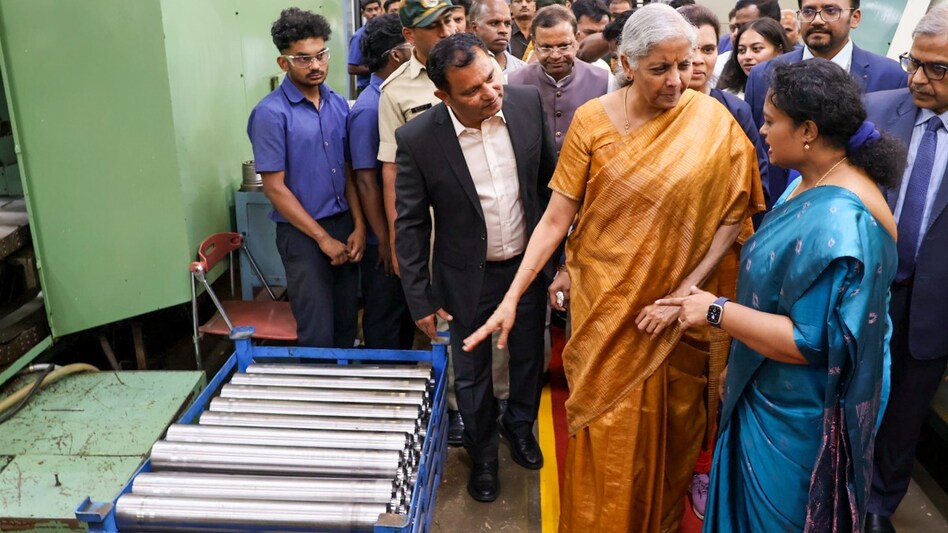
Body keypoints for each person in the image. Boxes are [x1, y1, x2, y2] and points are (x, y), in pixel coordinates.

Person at [462, 5, 764, 530]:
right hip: (606, 311)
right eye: (659, 69)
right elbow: (557, 217)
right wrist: (513, 295)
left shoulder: (711, 119)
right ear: (625, 61)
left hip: (675, 317)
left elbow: (733, 219)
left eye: (685, 65)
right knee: (605, 433)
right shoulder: (593, 120)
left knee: (671, 439)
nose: (676, 81)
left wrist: (686, 292)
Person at [662, 59, 902, 532]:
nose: (763, 131)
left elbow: (810, 343)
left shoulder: (843, 220)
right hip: (767, 385)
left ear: (808, 130)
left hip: (802, 414)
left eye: (771, 121)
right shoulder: (806, 183)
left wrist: (714, 310)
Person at [394, 33, 557, 502]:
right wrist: (419, 296)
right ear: (442, 95)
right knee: (472, 372)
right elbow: (408, 224)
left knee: (529, 355)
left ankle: (519, 427)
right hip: (466, 277)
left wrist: (558, 262)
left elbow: (549, 189)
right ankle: (483, 453)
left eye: (491, 76)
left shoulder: (525, 104)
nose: (489, 92)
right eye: (471, 90)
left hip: (526, 268)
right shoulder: (420, 139)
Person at [676, 3, 768, 519]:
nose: (695, 66)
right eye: (686, 54)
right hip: (657, 268)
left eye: (708, 51)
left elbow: (749, 200)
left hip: (721, 265)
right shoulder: (637, 109)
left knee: (716, 374)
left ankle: (705, 465)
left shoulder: (735, 112)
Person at [865, 7, 948, 533]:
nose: (918, 78)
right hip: (862, 295)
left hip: (933, 309)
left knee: (902, 424)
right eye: (913, 62)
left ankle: (878, 509)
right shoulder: (872, 113)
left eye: (938, 68)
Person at [247, 8, 366, 348]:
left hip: (343, 225)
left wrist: (357, 224)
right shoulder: (271, 114)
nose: (315, 66)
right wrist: (322, 239)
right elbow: (274, 187)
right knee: (317, 329)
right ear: (283, 63)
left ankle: (345, 395)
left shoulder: (337, 105)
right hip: (302, 236)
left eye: (321, 55)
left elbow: (347, 171)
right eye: (303, 59)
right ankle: (320, 394)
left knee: (347, 323)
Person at [377, 0, 467, 443]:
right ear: (410, 36)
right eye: (435, 26)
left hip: (478, 216)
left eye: (451, 19)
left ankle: (498, 401)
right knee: (440, 311)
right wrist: (399, 237)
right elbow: (391, 169)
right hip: (431, 223)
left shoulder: (478, 65)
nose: (447, 30)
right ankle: (451, 405)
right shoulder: (395, 92)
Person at [745, 0, 907, 203]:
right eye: (809, 11)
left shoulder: (890, 77)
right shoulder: (763, 75)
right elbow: (755, 155)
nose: (817, 20)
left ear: (855, 17)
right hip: (777, 208)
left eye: (830, 11)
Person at [347, 14, 416, 350]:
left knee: (403, 314)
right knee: (384, 316)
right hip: (382, 238)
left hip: (397, 231)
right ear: (396, 55)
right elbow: (366, 182)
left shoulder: (393, 98)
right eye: (411, 45)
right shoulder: (369, 109)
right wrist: (386, 240)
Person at [507, 5, 609, 154]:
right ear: (534, 44)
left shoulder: (605, 81)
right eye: (546, 47)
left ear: (577, 40)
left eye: (563, 46)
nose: (555, 55)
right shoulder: (511, 83)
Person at [709, 0, 780, 88]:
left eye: (756, 49)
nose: (737, 33)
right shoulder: (719, 66)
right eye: (742, 51)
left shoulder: (796, 66)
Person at [717, 18, 793, 98]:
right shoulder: (728, 98)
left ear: (779, 51)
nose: (747, 57)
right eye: (741, 50)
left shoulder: (795, 93)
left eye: (756, 49)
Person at [470, 0, 528, 77]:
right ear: (475, 28)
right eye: (494, 23)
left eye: (507, 24)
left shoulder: (524, 71)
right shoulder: (462, 69)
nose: (503, 30)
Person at [349, 0, 385, 95]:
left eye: (376, 9)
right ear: (363, 13)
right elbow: (351, 68)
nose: (374, 13)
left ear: (381, 10)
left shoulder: (385, 33)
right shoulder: (359, 36)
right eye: (369, 10)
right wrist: (377, 66)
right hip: (367, 88)